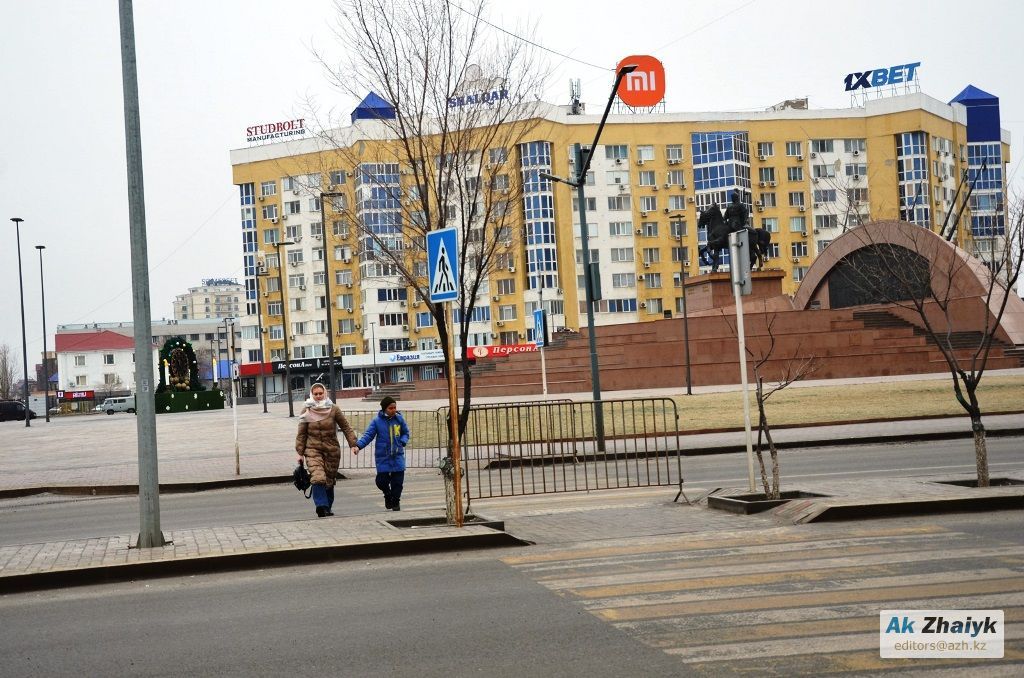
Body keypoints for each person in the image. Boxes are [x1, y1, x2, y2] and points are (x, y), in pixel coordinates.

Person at [295, 383, 357, 518]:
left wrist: (353, 444)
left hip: (331, 450)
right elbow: (301, 434)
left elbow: (346, 427)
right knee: (318, 477)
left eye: (320, 393)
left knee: (329, 479)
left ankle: (327, 507)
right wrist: (300, 453)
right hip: (312, 449)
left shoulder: (334, 409)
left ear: (325, 393)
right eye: (315, 394)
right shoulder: (307, 409)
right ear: (312, 394)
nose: (318, 396)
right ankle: (321, 506)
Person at [353, 396, 410, 511]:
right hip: (383, 456)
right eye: (390, 408)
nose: (393, 410)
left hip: (397, 455)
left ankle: (396, 501)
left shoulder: (399, 419)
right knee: (381, 481)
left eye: (394, 407)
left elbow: (406, 433)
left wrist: (403, 441)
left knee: (397, 482)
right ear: (384, 409)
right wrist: (358, 446)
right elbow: (368, 435)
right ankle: (387, 494)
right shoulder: (377, 421)